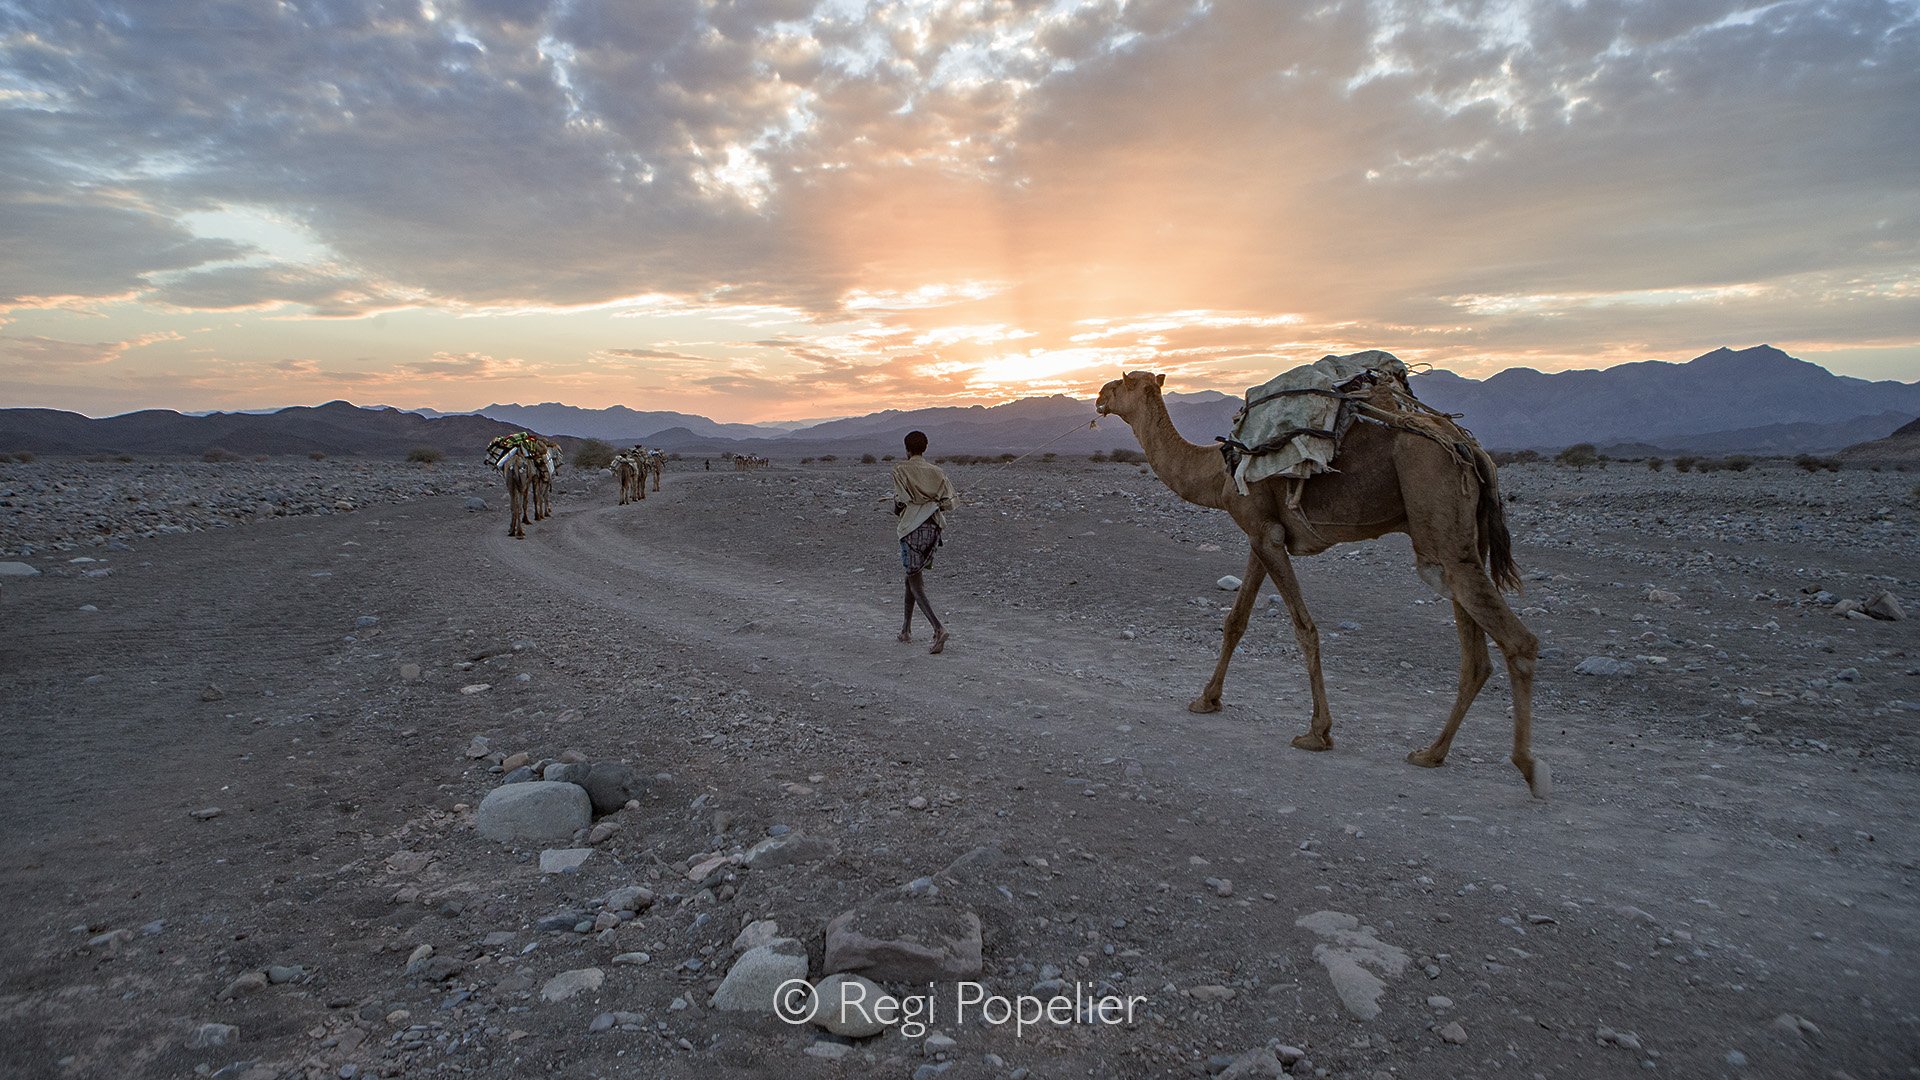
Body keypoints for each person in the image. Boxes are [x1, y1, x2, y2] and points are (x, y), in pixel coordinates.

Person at [892, 430, 956, 653]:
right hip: (933, 529)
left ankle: (938, 628)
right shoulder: (938, 472)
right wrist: (931, 502)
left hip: (910, 528)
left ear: (907, 449)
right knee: (911, 576)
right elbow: (949, 503)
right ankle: (906, 630)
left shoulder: (900, 469)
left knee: (915, 582)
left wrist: (901, 507)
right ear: (925, 448)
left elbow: (900, 502)